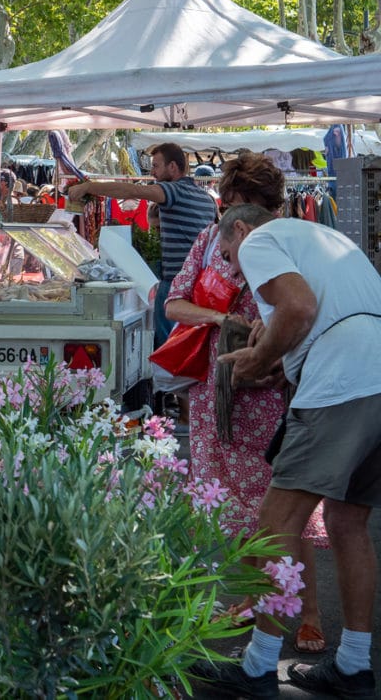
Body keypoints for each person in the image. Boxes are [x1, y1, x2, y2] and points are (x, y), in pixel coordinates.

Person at [195, 203, 381, 697]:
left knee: (276, 524)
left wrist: (258, 358)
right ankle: (354, 666)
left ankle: (257, 668)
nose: (234, 268)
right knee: (347, 523)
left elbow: (299, 308)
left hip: (341, 384)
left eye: (229, 256)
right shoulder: (321, 236)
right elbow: (322, 315)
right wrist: (283, 359)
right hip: (375, 377)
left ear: (239, 229)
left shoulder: (260, 240)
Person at [164, 153, 326, 651]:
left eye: (247, 206)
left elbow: (308, 311)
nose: (236, 218)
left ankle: (309, 612)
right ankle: (257, 599)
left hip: (270, 390)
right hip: (217, 391)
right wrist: (217, 321)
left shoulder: (292, 242)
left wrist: (274, 346)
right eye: (231, 205)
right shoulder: (208, 242)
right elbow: (173, 302)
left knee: (282, 510)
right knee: (231, 507)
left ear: (268, 207)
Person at [68, 142, 217, 351]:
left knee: (168, 349)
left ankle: (164, 383)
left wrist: (89, 187)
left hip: (176, 284)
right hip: (200, 285)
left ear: (173, 167)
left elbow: (131, 190)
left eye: (156, 166)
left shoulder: (172, 191)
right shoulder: (207, 200)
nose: (153, 173)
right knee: (192, 347)